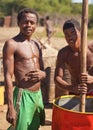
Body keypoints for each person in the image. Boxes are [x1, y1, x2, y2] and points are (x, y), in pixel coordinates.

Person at [3, 8, 46, 130]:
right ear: (18, 23)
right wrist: (10, 107)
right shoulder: (12, 44)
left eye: (32, 22)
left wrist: (42, 74)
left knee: (33, 127)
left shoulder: (36, 45)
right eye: (25, 22)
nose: (29, 25)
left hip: (37, 95)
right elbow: (7, 76)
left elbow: (43, 71)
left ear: (36, 24)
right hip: (23, 95)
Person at [54, 19, 93, 95]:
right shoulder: (63, 53)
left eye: (73, 33)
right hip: (75, 92)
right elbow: (57, 78)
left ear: (81, 32)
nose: (70, 37)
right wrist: (71, 88)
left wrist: (92, 79)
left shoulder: (91, 48)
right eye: (66, 35)